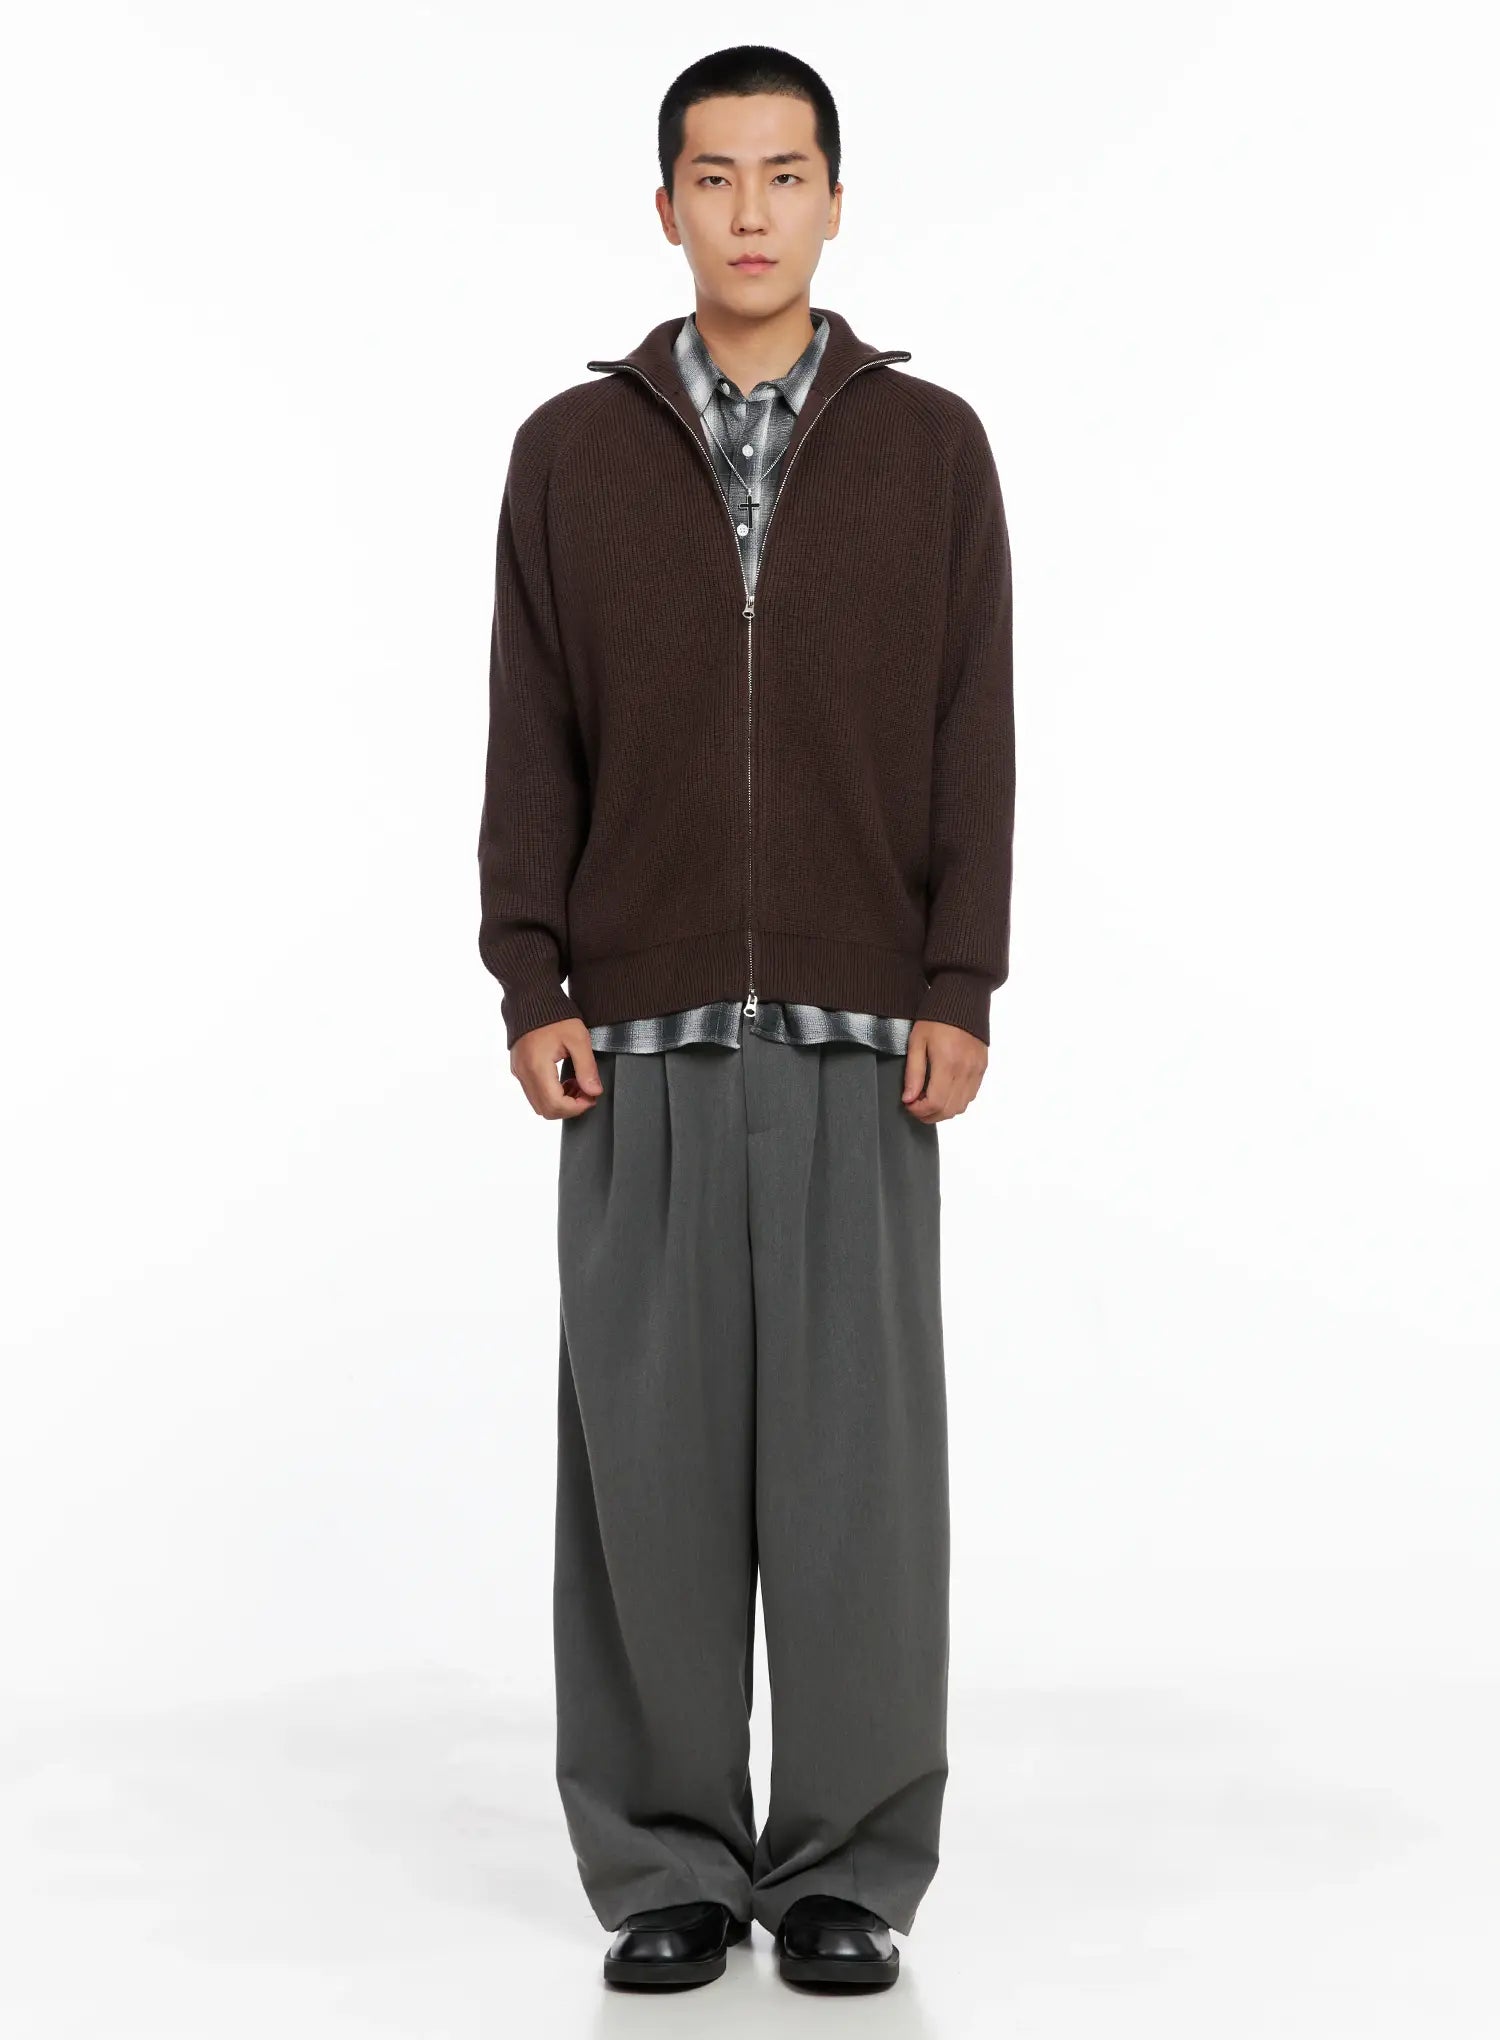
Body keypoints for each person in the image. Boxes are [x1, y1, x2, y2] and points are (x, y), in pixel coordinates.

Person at [477, 42, 1015, 1994]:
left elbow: (975, 726)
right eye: (716, 177)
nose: (754, 211)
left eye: (787, 174)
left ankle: (851, 1864)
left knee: (861, 1480)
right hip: (636, 1044)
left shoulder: (931, 448)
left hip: (865, 1043)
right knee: (647, 1477)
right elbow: (530, 725)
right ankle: (667, 1863)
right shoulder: (571, 451)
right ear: (667, 208)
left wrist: (959, 980)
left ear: (835, 200)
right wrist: (529, 971)